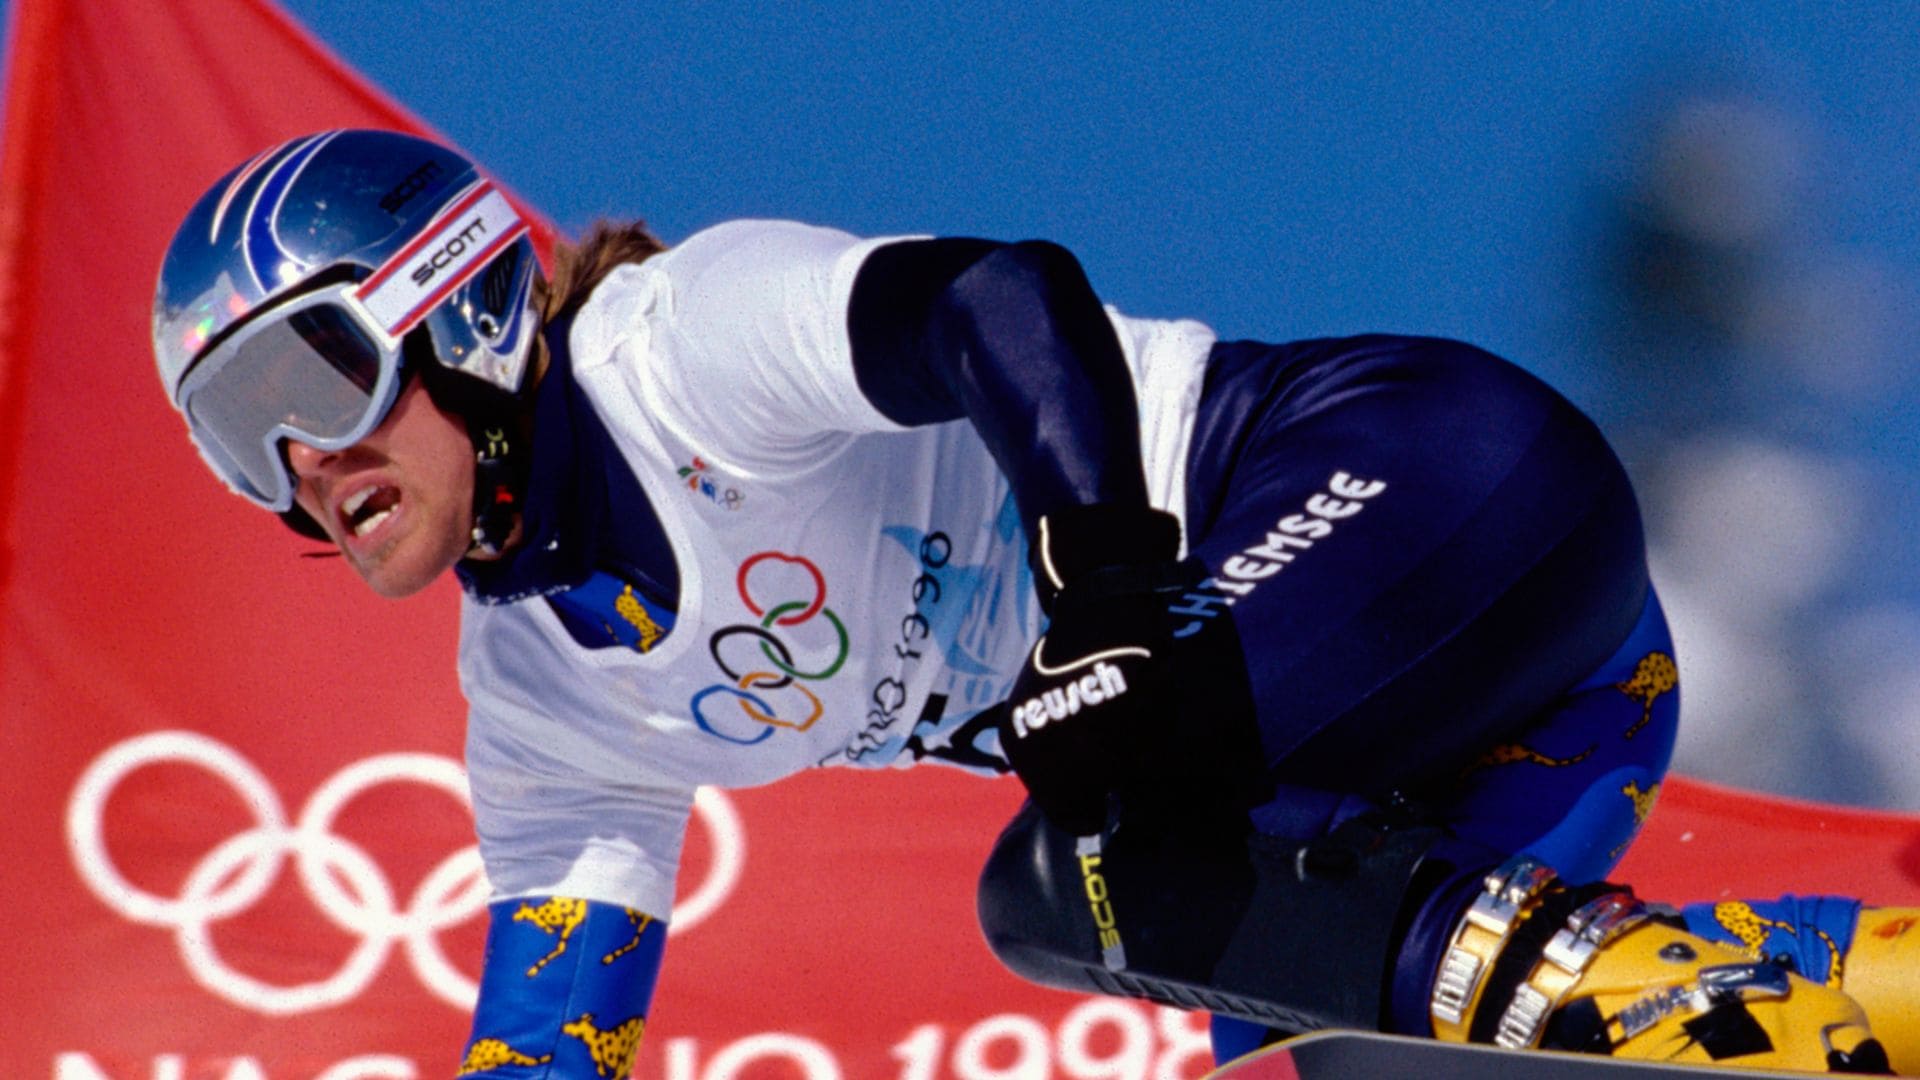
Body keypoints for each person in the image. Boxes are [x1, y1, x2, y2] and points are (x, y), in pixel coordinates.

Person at [151, 128, 1915, 1077]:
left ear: (452, 308)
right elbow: (548, 1050)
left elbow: (995, 299)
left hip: (1439, 491)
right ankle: (1854, 998)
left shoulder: (671, 347)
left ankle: (1857, 1003)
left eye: (309, 381)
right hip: (1493, 735)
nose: (301, 462)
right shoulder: (541, 707)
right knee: (1292, 1031)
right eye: (241, 437)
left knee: (1064, 867)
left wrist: (1110, 582)